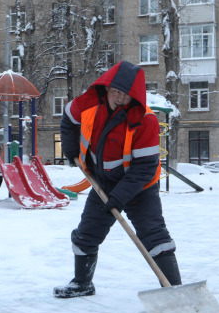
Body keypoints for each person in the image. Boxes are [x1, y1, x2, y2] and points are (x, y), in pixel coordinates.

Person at [54, 61, 182, 298]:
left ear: (135, 96)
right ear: (107, 87)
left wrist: (119, 197)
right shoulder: (89, 102)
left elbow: (144, 168)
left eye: (125, 95)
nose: (119, 98)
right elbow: (68, 119)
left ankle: (175, 290)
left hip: (140, 187)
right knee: (87, 234)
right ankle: (82, 283)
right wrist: (71, 151)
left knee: (155, 237)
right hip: (103, 182)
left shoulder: (145, 120)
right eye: (116, 92)